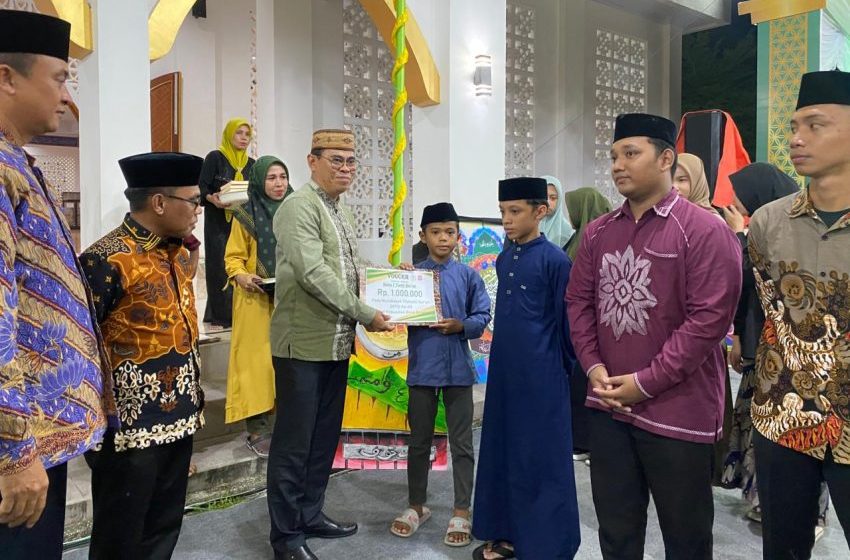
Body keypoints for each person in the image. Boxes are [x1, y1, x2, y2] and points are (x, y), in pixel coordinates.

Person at [567, 113, 742, 560]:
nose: (617, 165)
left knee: (686, 538)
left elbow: (708, 322)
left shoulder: (705, 230)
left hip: (677, 412)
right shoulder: (599, 231)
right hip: (608, 404)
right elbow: (579, 302)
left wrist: (645, 382)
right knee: (616, 532)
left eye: (631, 153)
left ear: (666, 159)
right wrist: (593, 366)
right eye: (613, 156)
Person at [0, 11, 113, 559]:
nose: (68, 97)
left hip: (41, 439)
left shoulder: (17, 164)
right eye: (61, 78)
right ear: (7, 77)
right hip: (20, 447)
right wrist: (14, 450)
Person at [267, 129, 392, 560]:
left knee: (322, 440)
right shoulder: (298, 207)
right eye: (336, 160)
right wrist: (365, 312)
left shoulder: (339, 209)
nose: (346, 168)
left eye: (351, 161)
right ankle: (286, 537)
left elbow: (351, 268)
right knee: (294, 444)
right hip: (302, 345)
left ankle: (309, 514)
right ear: (312, 161)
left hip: (336, 344)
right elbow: (313, 274)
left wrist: (393, 279)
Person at [80, 152, 205, 560]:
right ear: (159, 202)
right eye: (193, 200)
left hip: (179, 415)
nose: (198, 209)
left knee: (163, 529)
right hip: (127, 431)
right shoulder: (105, 258)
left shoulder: (177, 252)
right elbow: (82, 345)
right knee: (120, 537)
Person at [746, 70, 850, 560]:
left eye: (815, 125)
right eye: (794, 126)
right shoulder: (768, 222)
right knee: (782, 549)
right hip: (783, 417)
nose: (796, 138)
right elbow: (769, 308)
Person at [472, 177, 579, 560]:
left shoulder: (556, 261)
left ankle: (546, 544)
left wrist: (557, 373)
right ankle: (506, 532)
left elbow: (567, 326)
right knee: (504, 449)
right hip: (504, 374)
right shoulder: (505, 258)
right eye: (503, 211)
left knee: (540, 456)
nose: (507, 219)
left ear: (541, 211)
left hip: (542, 376)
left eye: (515, 211)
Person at [719, 162, 830, 528]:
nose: (735, 203)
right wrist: (739, 336)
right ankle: (763, 497)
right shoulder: (761, 226)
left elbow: (760, 279)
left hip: (796, 355)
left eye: (740, 196)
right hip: (760, 346)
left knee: (797, 431)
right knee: (757, 428)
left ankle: (805, 512)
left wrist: (739, 237)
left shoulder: (792, 232)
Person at [389, 202, 491, 547]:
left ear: (458, 236)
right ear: (423, 236)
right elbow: (391, 311)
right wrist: (398, 283)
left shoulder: (468, 276)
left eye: (450, 232)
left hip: (458, 371)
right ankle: (416, 506)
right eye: (436, 232)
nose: (443, 238)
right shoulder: (412, 276)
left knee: (462, 443)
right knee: (418, 442)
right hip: (422, 369)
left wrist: (462, 325)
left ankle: (461, 509)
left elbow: (483, 314)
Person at [224, 156, 293, 458]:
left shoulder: (296, 211)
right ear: (259, 181)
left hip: (289, 298)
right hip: (255, 298)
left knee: (286, 362)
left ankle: (284, 423)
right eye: (271, 178)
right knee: (256, 364)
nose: (279, 184)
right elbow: (233, 258)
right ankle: (258, 428)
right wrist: (240, 275)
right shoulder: (245, 213)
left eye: (283, 177)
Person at [563, 187, 612, 463]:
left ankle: (592, 445)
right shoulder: (577, 236)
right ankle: (583, 442)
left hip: (596, 326)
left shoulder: (597, 237)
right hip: (578, 323)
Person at [199, 118, 255, 329]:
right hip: (218, 221)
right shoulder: (215, 158)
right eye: (239, 133)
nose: (243, 138)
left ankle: (235, 312)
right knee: (219, 267)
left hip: (242, 222)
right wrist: (212, 198)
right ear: (229, 134)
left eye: (247, 134)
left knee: (240, 265)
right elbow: (202, 188)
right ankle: (222, 316)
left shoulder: (252, 164)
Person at [540, 175, 575, 248]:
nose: (547, 202)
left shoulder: (568, 232)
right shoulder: (527, 226)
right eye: (543, 197)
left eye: (553, 198)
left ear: (559, 200)